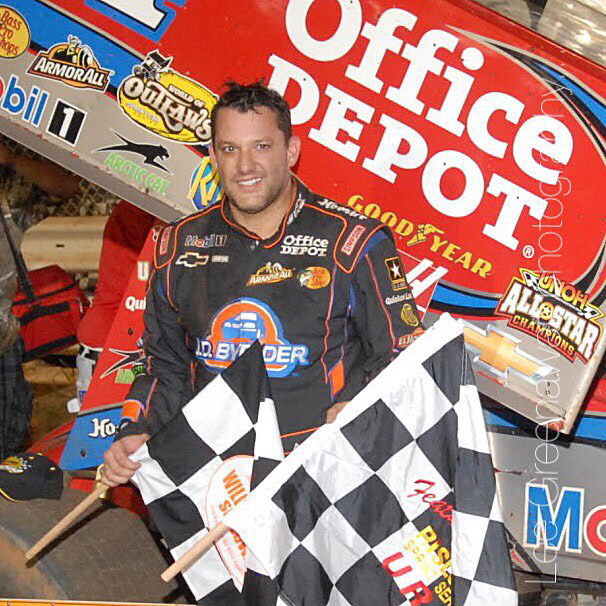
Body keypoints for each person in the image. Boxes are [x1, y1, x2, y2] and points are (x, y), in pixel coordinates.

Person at [102, 81, 422, 487]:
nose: (245, 166)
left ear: (291, 151)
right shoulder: (178, 244)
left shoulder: (354, 241)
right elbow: (165, 365)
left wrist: (358, 406)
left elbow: (404, 353)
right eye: (230, 149)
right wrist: (137, 428)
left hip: (324, 477)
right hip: (217, 481)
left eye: (262, 147)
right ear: (213, 155)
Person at [0, 141, 79, 460]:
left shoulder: (7, 193)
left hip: (3, 340)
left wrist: (11, 159)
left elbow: (66, 186)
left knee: (8, 439)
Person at [74, 200, 157, 408]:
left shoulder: (133, 207)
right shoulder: (146, 209)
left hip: (111, 338)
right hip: (117, 340)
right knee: (114, 422)